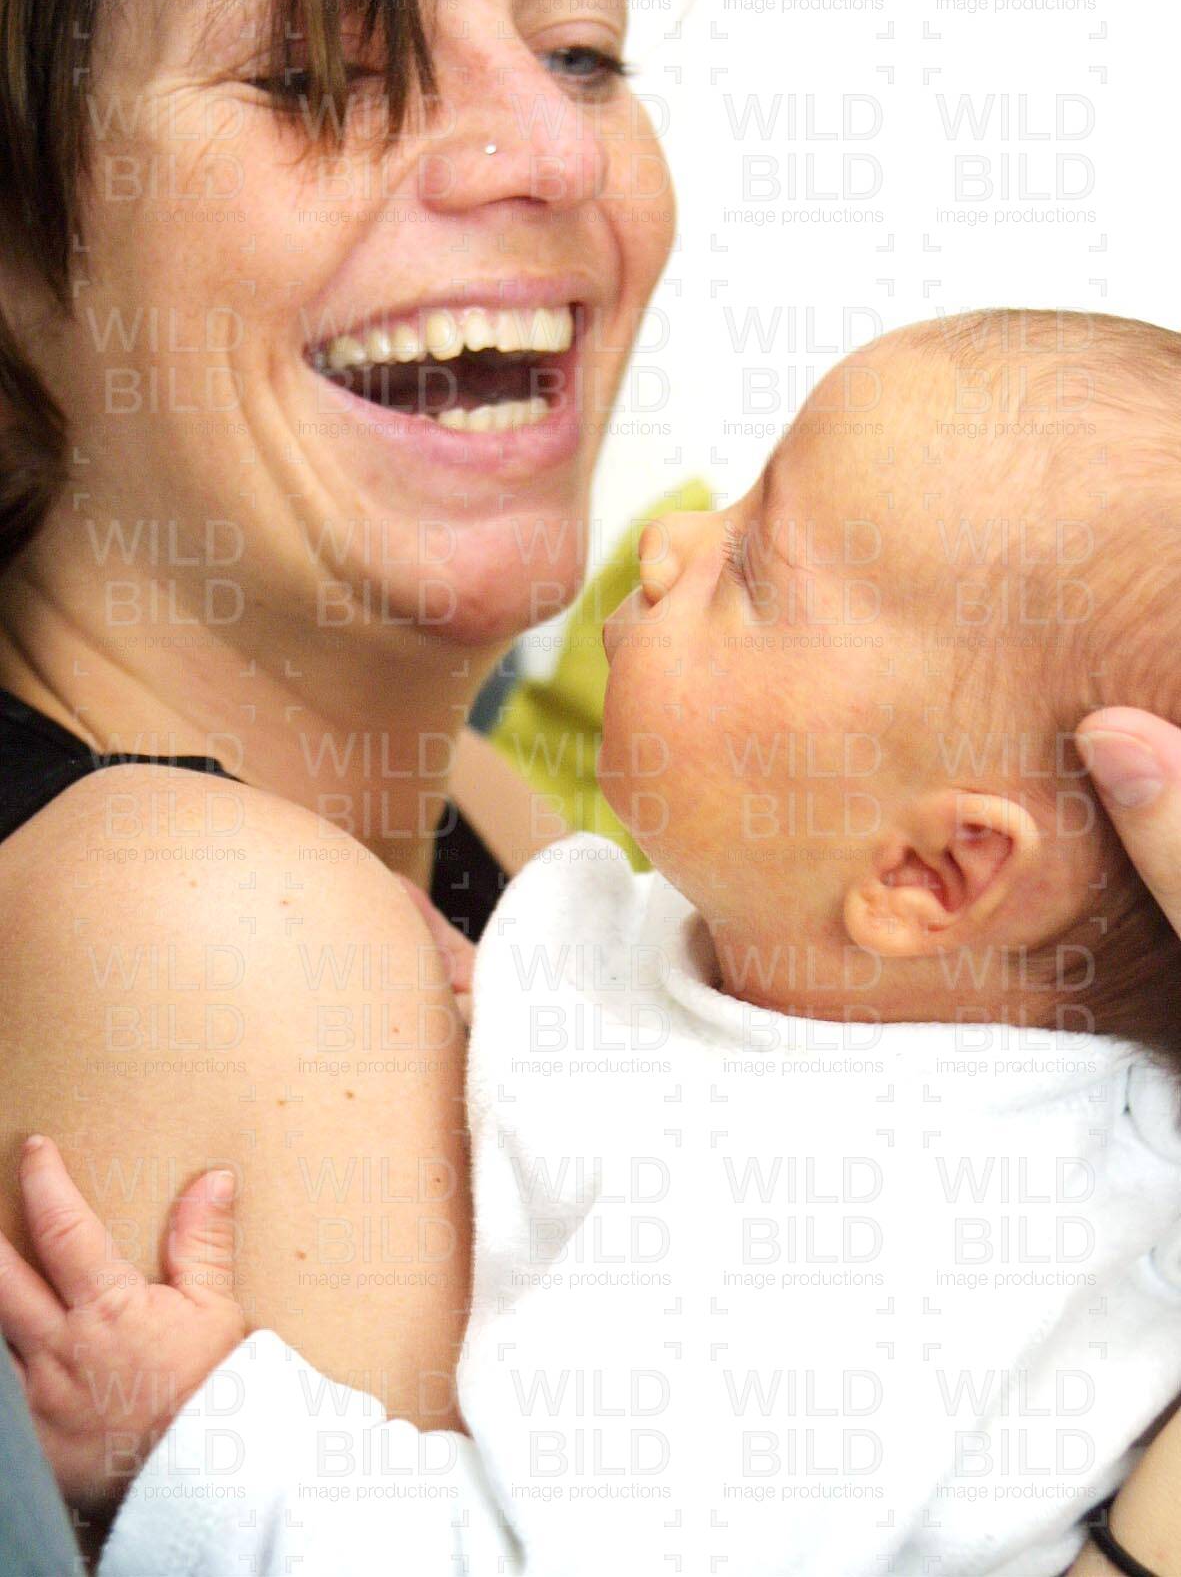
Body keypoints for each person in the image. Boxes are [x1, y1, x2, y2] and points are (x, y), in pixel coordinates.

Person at [5, 310, 1181, 1576]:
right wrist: (512, 1011)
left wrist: (195, 1438)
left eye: (753, 573)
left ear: (925, 873)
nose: (669, 541)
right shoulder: (832, 996)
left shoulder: (857, 1255)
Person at [0, 0, 675, 1528]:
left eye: (580, 50)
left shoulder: (487, 812)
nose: (554, 151)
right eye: (317, 69)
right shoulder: (216, 926)